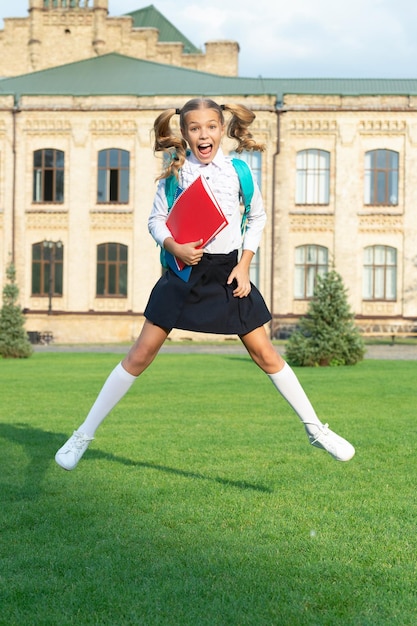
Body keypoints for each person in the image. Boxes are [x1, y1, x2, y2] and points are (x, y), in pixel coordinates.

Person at [55, 97, 355, 471]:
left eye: (211, 126)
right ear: (184, 133)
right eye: (194, 128)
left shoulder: (239, 171)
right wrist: (173, 245)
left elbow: (257, 218)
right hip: (184, 272)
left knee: (266, 354)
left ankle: (316, 429)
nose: (203, 134)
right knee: (140, 354)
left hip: (230, 273)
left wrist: (245, 266)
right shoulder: (174, 173)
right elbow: (156, 220)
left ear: (223, 129)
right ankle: (83, 434)